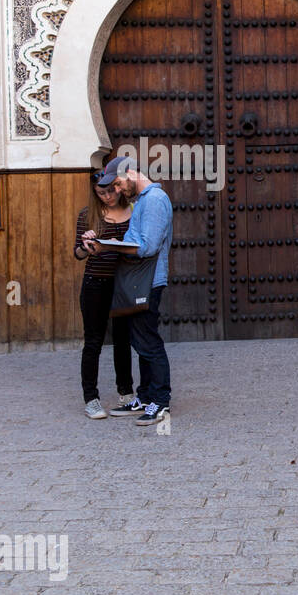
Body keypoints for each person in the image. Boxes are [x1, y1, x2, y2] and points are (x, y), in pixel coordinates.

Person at [83, 155, 173, 427]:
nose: (118, 191)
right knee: (141, 342)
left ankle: (160, 402)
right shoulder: (143, 201)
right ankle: (145, 397)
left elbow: (148, 247)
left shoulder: (155, 200)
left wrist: (108, 246)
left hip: (149, 282)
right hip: (139, 281)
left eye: (120, 184)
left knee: (149, 343)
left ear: (131, 172)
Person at [73, 171, 136, 419]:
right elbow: (77, 254)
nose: (108, 196)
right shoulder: (87, 215)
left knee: (123, 340)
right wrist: (85, 245)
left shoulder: (134, 211)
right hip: (95, 284)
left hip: (123, 283)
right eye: (102, 193)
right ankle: (91, 399)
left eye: (112, 190)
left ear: (120, 187)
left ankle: (127, 393)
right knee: (94, 341)